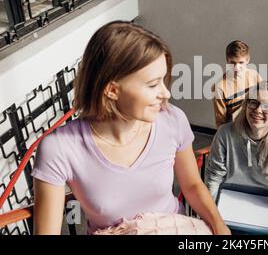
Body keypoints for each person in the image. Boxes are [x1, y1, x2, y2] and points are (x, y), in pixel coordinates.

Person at [32, 21, 230, 235]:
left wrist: (219, 226)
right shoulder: (60, 148)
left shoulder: (172, 119)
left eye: (163, 81)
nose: (166, 93)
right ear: (112, 90)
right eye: (153, 84)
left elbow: (191, 185)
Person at [205, 81, 268, 235]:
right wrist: (208, 219)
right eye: (253, 103)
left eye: (267, 106)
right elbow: (213, 179)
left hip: (267, 205)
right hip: (229, 202)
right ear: (245, 105)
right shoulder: (225, 134)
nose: (258, 110)